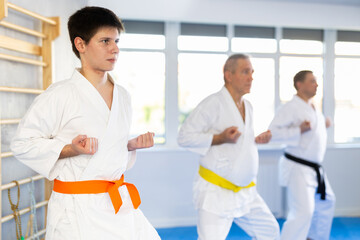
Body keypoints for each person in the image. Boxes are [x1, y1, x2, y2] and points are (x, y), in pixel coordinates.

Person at [11, 6, 160, 240]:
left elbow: (108, 146)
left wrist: (129, 145)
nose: (114, 49)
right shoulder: (60, 94)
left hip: (117, 204)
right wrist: (71, 149)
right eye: (105, 41)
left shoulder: (123, 96)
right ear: (80, 45)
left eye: (116, 41)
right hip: (76, 209)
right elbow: (22, 143)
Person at [177, 54, 280, 240]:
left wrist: (257, 139)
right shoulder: (212, 103)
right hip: (215, 193)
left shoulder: (248, 106)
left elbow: (240, 143)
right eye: (245, 72)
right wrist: (220, 138)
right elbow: (184, 137)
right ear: (228, 75)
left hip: (246, 191)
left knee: (270, 230)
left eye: (252, 72)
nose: (251, 77)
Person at [268, 70, 335, 240]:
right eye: (312, 81)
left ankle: (314, 237)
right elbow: (273, 132)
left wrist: (323, 124)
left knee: (327, 202)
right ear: (299, 84)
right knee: (303, 212)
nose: (316, 84)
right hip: (298, 167)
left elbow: (312, 134)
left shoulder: (313, 106)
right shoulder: (290, 107)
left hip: (314, 168)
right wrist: (299, 130)